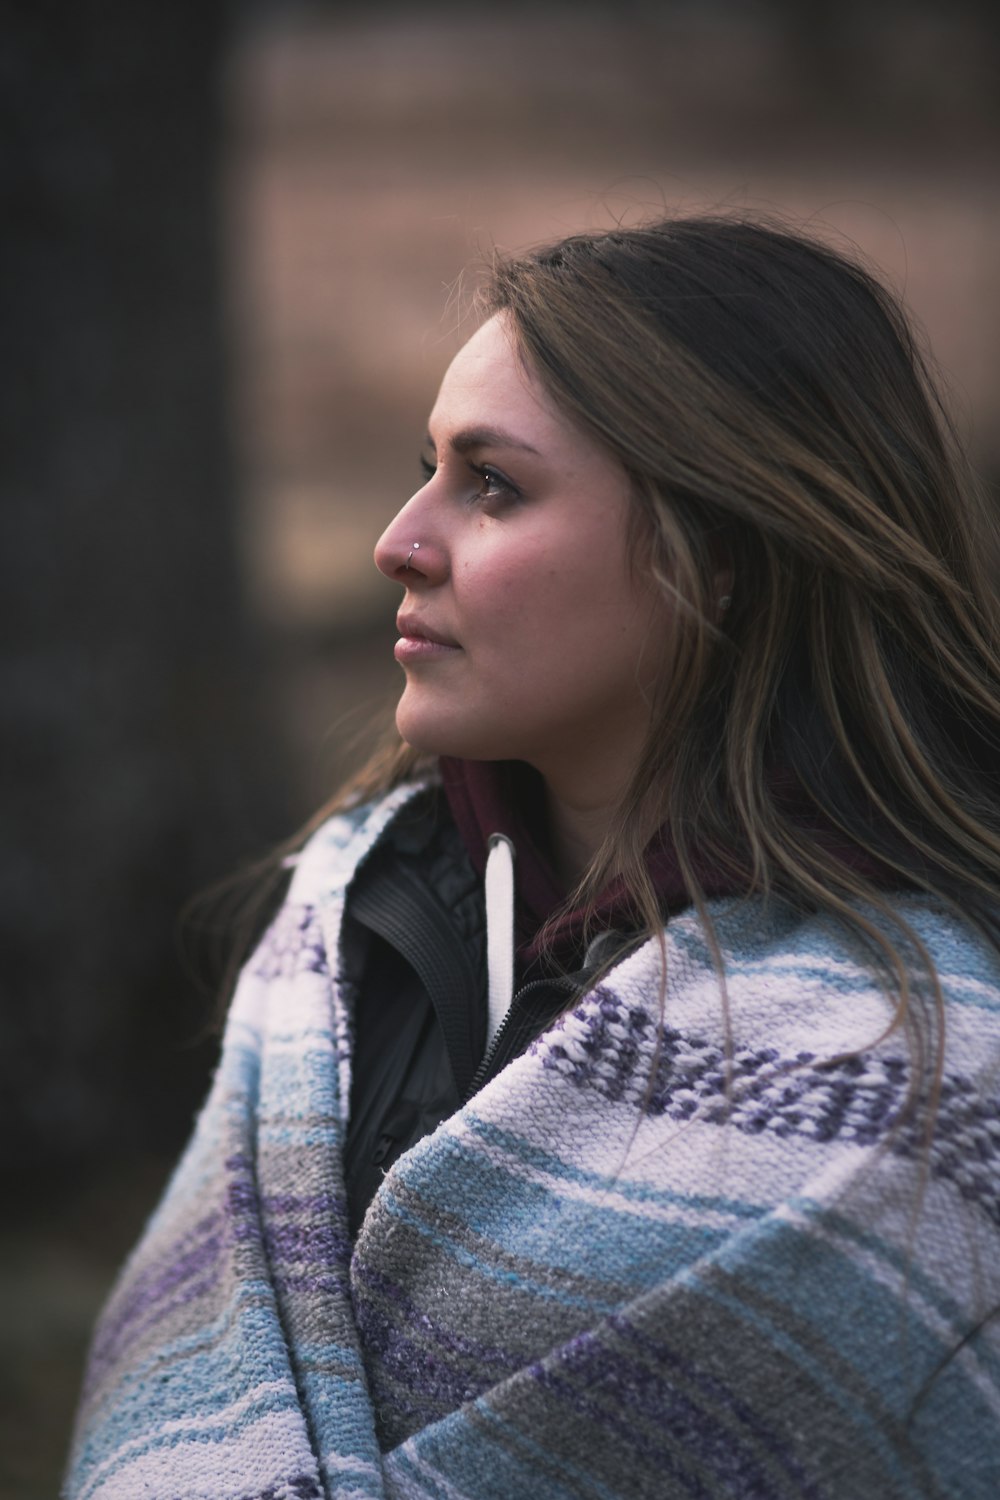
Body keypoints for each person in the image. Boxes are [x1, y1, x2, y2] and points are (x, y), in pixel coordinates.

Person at [65, 216, 1000, 1499]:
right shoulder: (341, 926)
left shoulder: (923, 1083)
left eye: (491, 484)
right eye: (423, 470)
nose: (398, 540)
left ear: (715, 561)